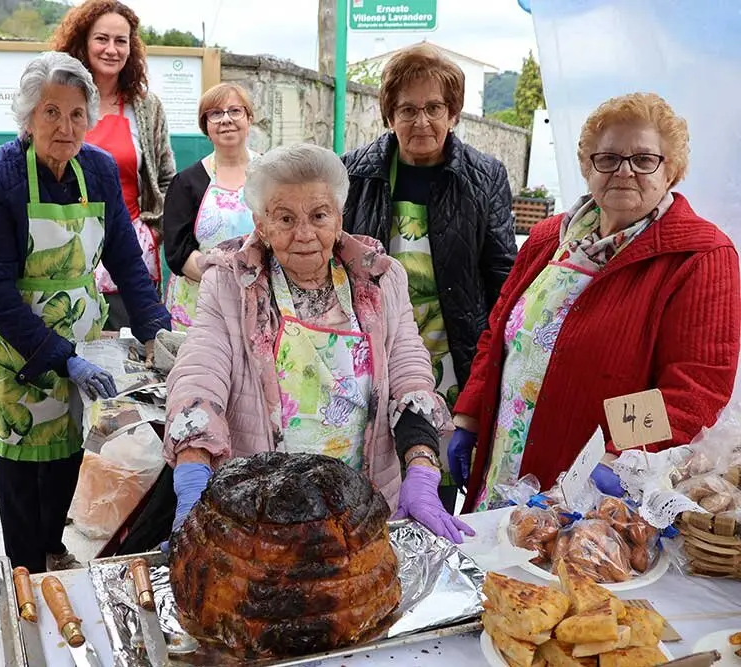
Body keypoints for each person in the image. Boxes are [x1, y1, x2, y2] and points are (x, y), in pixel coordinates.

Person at [164, 144, 475, 544]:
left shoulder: (381, 279)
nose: (305, 234)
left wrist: (422, 467)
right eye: (285, 218)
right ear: (261, 224)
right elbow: (200, 374)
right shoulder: (230, 283)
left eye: (319, 215)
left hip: (362, 508)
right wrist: (193, 475)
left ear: (339, 218)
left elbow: (409, 373)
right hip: (259, 514)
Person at [449, 93, 741, 512]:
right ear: (588, 166)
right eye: (608, 158)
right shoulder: (548, 239)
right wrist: (470, 415)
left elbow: (694, 388)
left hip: (592, 497)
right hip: (503, 468)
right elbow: (500, 331)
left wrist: (613, 456)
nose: (624, 171)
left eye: (644, 159)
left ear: (672, 170)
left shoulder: (700, 255)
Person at [0, 52, 171, 574]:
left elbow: (126, 258)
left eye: (77, 114)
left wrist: (157, 330)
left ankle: (55, 555)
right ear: (28, 117)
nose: (65, 126)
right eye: (51, 112)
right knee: (20, 473)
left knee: (66, 459)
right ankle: (24, 573)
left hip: (82, 343)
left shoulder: (97, 170)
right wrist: (60, 356)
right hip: (15, 354)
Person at [341, 44, 517, 512]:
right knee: (368, 474)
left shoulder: (485, 176)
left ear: (453, 113)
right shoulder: (353, 173)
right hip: (375, 351)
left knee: (432, 477)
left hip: (453, 359)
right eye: (407, 110)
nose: (422, 122)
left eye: (434, 108)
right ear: (389, 114)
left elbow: (503, 276)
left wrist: (491, 370)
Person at [53, 0, 176, 331]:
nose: (111, 49)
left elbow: (166, 179)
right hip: (65, 248)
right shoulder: (56, 99)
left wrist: (153, 233)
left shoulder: (146, 107)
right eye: (101, 39)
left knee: (131, 346)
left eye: (121, 41)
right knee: (71, 343)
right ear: (82, 42)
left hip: (130, 254)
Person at [163, 83, 258, 330]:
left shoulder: (271, 175)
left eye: (235, 111)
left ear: (249, 119)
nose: (226, 120)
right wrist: (224, 280)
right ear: (205, 126)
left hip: (258, 297)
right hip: (199, 304)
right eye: (215, 113)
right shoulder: (186, 182)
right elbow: (178, 251)